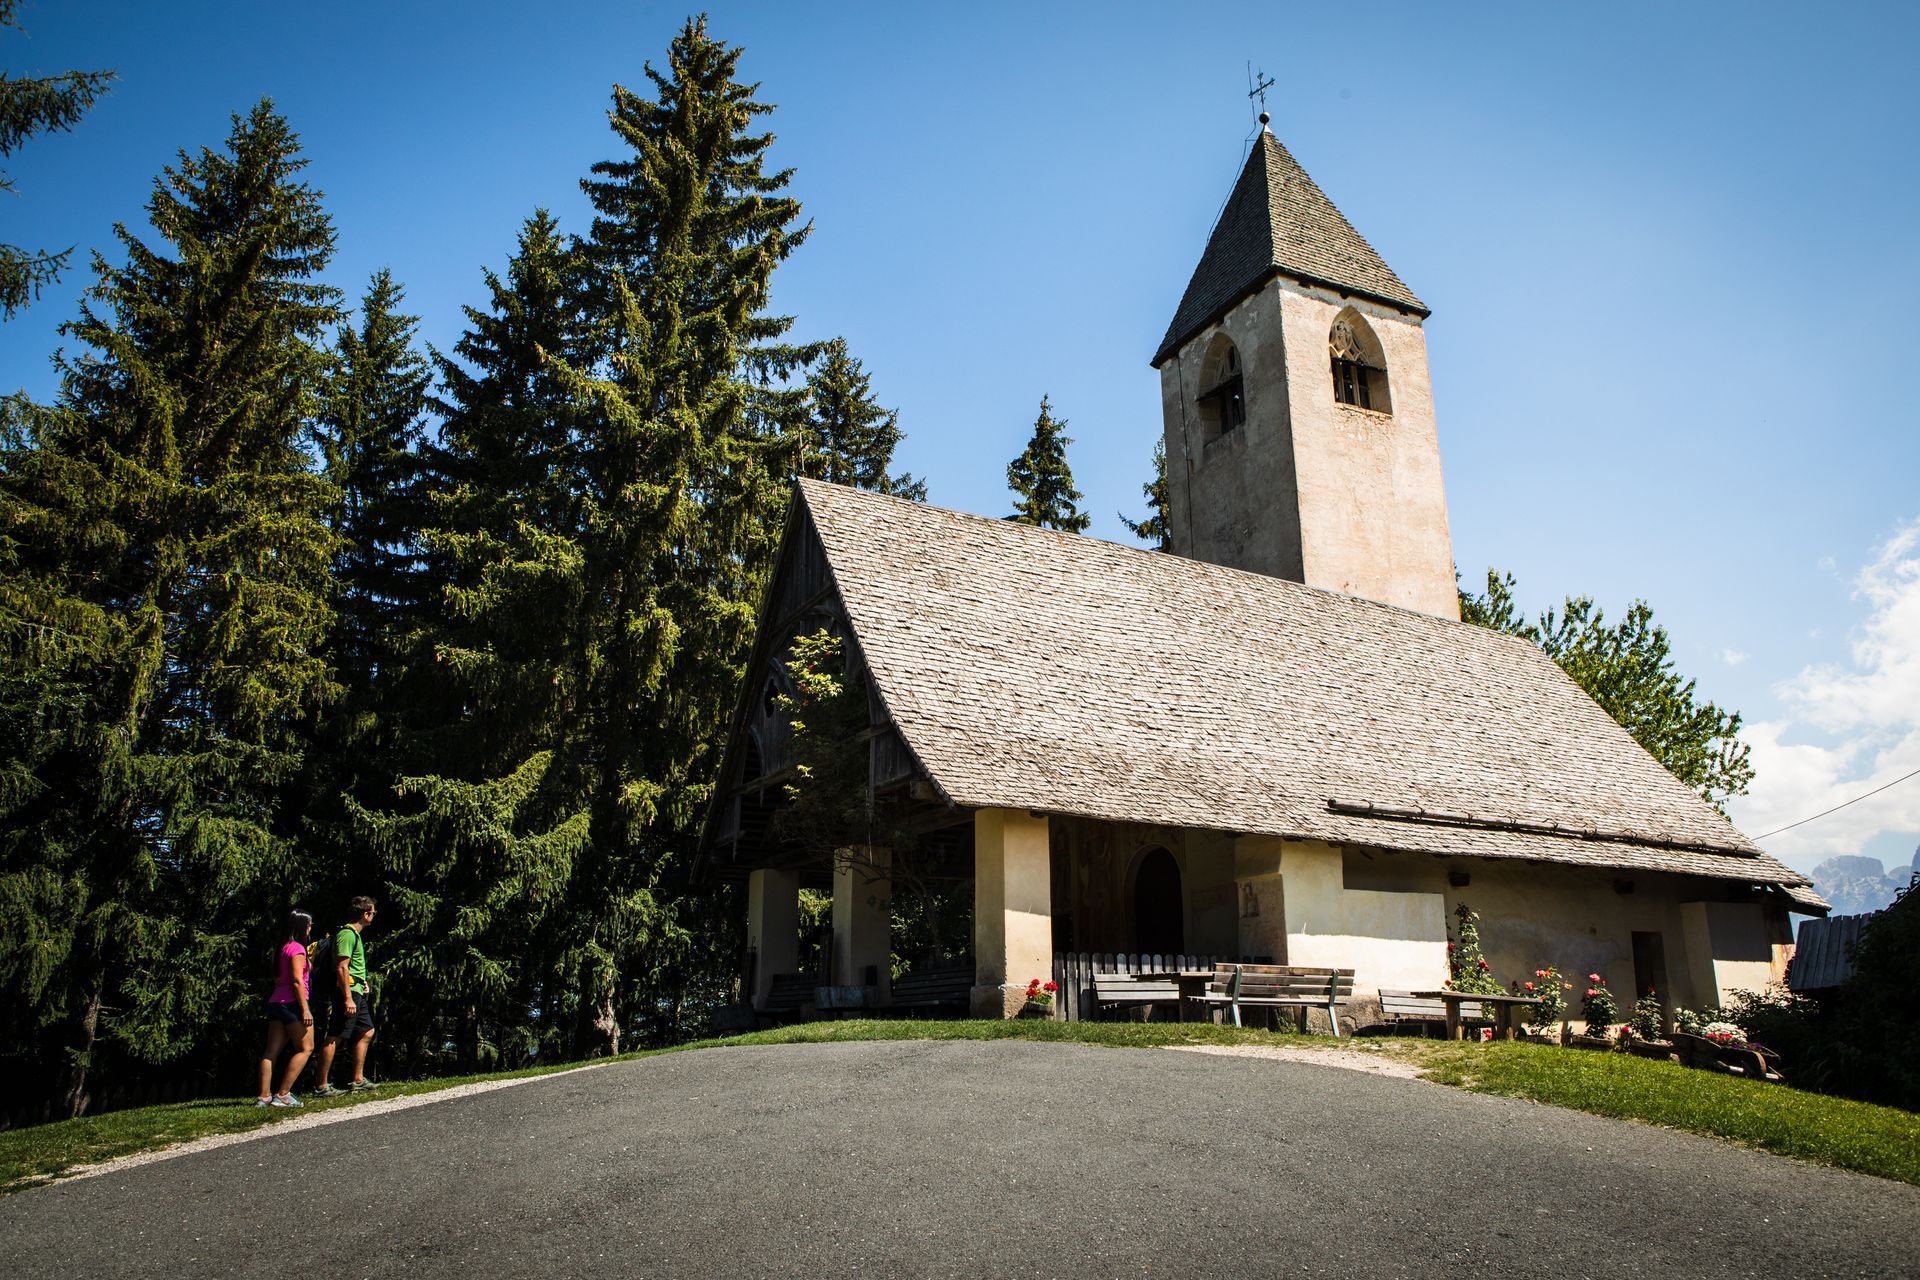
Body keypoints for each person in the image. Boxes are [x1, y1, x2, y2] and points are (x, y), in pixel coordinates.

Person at [312, 895, 378, 1096]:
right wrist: (348, 997)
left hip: (356, 989)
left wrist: (361, 982)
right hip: (347, 993)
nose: (374, 916)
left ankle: (357, 1079)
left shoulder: (354, 935)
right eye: (373, 912)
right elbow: (341, 967)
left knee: (366, 1031)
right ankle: (321, 1086)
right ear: (365, 914)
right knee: (335, 1036)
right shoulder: (347, 934)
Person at [256, 910, 316, 1108]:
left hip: (276, 1001)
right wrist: (305, 1009)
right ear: (301, 927)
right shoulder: (298, 949)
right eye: (308, 925)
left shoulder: (281, 948)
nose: (310, 928)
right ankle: (283, 1094)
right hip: (293, 1003)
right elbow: (297, 981)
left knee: (271, 1051)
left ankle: (263, 1096)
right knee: (306, 1048)